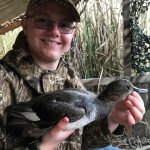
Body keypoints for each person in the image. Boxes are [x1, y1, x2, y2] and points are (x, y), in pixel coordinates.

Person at [0, 0, 145, 150]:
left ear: (74, 33)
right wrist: (43, 146)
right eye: (42, 21)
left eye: (64, 25)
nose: (55, 31)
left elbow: (82, 139)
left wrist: (112, 120)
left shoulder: (72, 80)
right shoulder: (3, 80)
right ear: (24, 24)